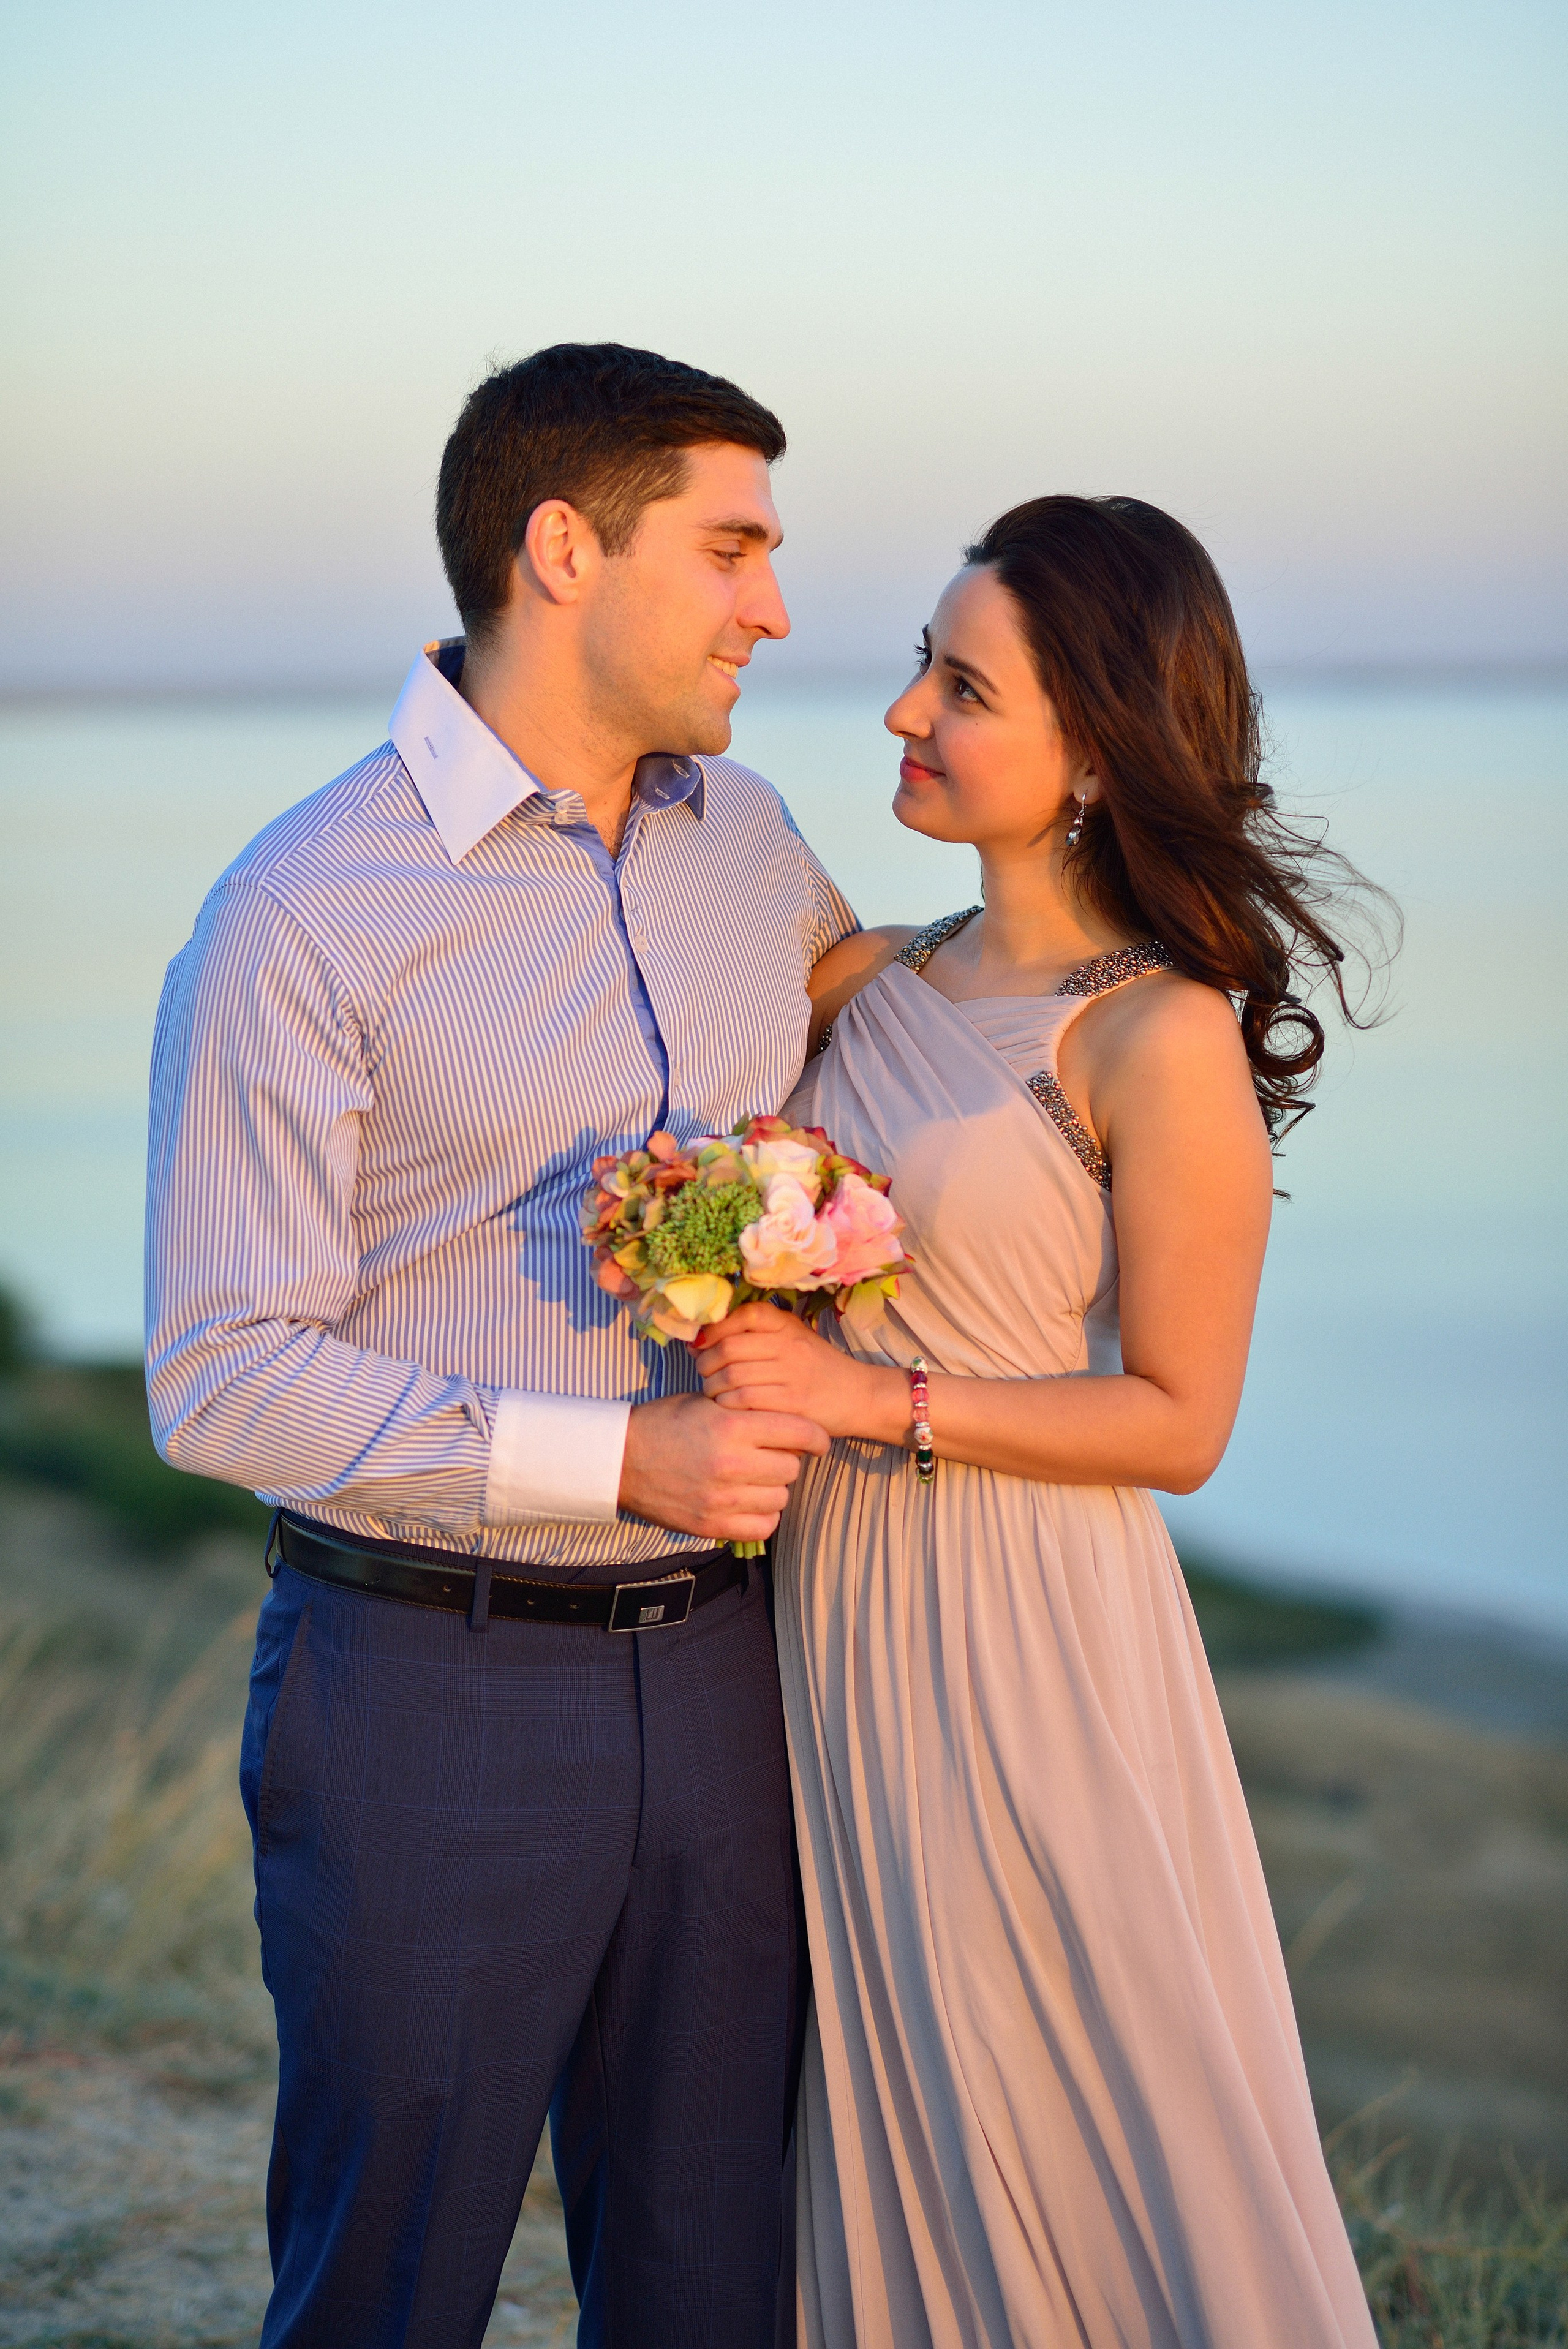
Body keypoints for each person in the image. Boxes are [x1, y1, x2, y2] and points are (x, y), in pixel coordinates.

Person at [145, 343, 854, 2349]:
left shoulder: (754, 839)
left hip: (732, 1677)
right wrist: (615, 1458)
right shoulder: (304, 911)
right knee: (390, 2285)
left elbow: (880, 1013)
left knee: (719, 2278)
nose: (772, 607)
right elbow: (220, 1367)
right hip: (422, 1692)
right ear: (563, 548)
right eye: (732, 548)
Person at [697, 495, 1382, 2347]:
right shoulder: (884, 974)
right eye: (923, 662)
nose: (907, 711)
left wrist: (864, 1395)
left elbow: (1180, 1421)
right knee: (897, 2071)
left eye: (963, 683)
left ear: (1095, 747)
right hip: (827, 1618)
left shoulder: (1158, 1037)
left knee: (1093, 2071)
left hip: (1026, 1627)